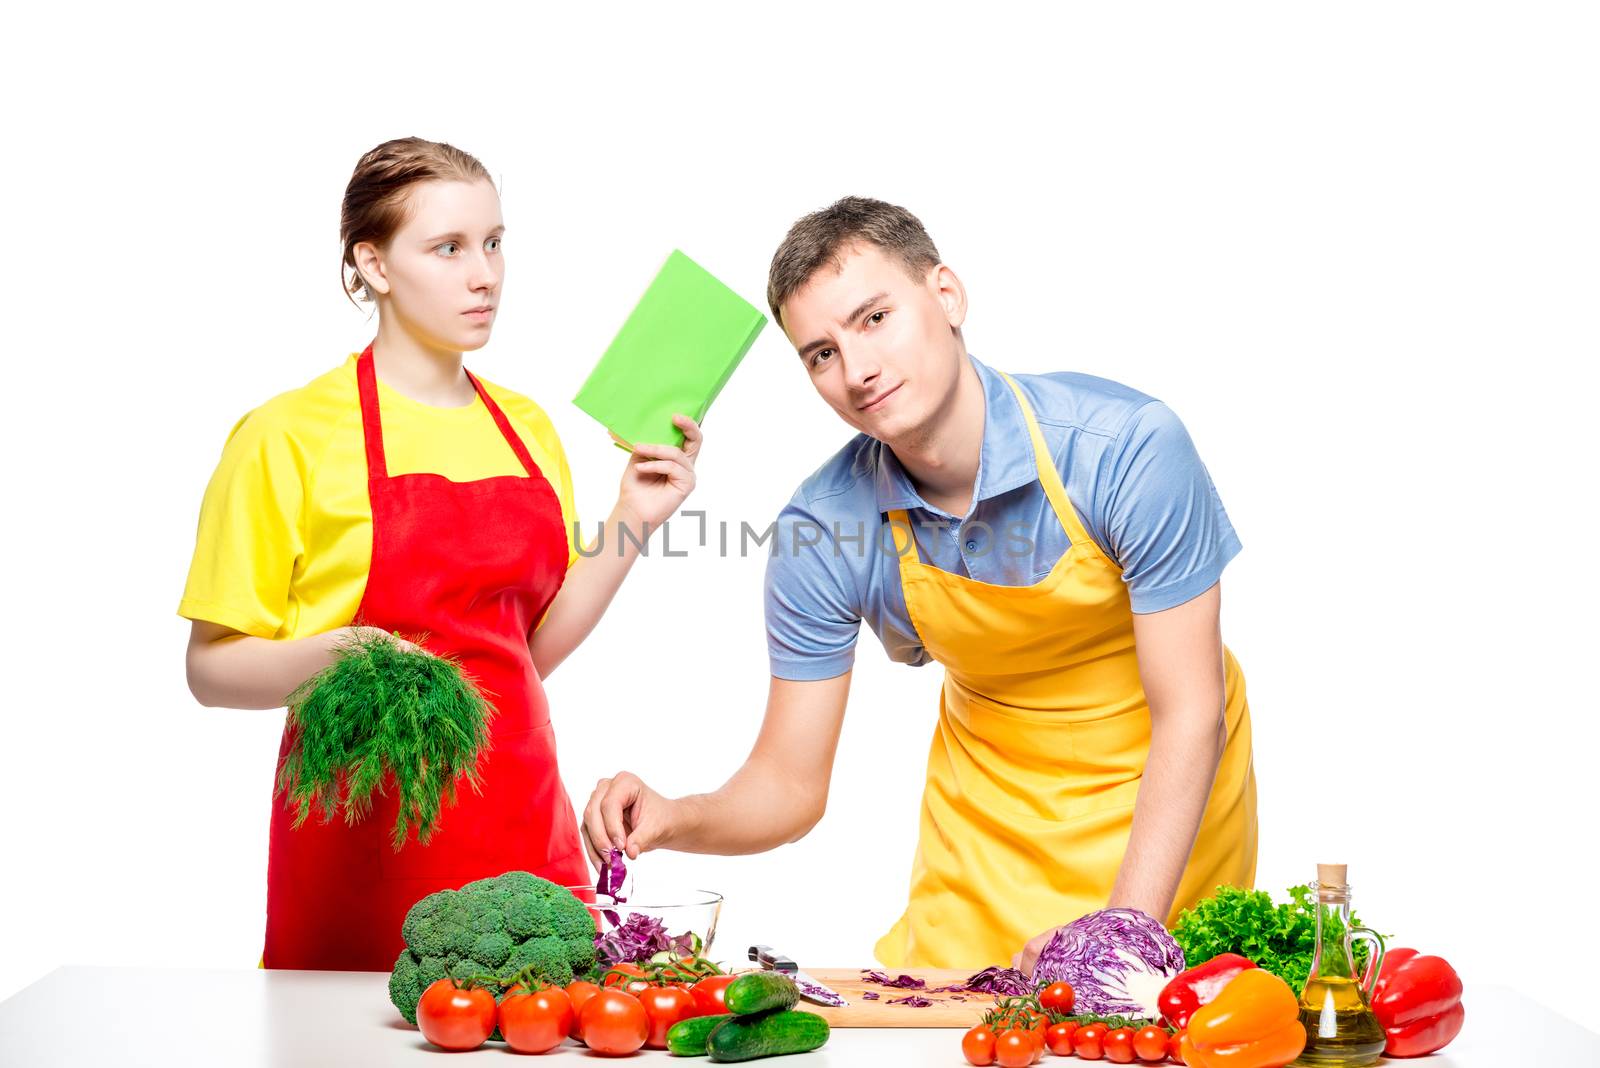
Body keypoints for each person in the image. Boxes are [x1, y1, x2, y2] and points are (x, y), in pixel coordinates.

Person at [582, 197, 1256, 972]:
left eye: (874, 319)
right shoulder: (823, 527)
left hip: (1165, 837)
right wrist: (678, 816)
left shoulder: (1124, 451)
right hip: (988, 839)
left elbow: (1190, 710)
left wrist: (1116, 940)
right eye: (821, 354)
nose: (858, 370)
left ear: (946, 295)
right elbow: (789, 783)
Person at [179, 137, 702, 971]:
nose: (485, 275)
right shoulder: (288, 435)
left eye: (494, 243)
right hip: (361, 843)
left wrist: (633, 518)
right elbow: (208, 670)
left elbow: (523, 653)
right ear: (373, 263)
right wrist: (344, 657)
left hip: (523, 827)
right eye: (448, 248)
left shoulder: (526, 428)